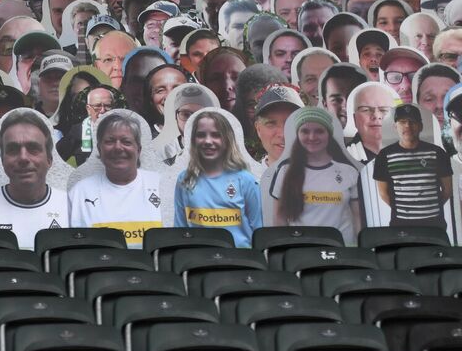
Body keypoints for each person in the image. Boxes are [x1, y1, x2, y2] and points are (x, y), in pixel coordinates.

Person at [262, 105, 363, 244]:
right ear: (298, 134)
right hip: (303, 252)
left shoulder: (349, 172)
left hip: (343, 253)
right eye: (305, 131)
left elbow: (358, 220)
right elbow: (279, 220)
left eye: (319, 131)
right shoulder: (285, 171)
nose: (312, 137)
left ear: (329, 134)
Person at [0, 106, 70, 246]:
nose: (23, 158)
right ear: (2, 160)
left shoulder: (71, 208)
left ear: (49, 159)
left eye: (33, 148)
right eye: (13, 149)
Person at [67, 108, 165, 247]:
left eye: (126, 141)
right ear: (99, 149)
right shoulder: (80, 193)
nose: (118, 148)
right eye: (110, 141)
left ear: (139, 150)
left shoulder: (162, 186)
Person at [171, 106, 263, 248]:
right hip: (199, 264)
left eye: (215, 135)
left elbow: (259, 231)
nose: (208, 141)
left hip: (240, 263)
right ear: (194, 140)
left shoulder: (245, 180)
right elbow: (180, 230)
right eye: (201, 135)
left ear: (227, 139)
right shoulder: (185, 180)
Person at [372, 103, 453, 231]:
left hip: (434, 225)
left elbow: (447, 190)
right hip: (401, 225)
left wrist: (429, 208)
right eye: (402, 122)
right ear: (395, 126)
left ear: (420, 126)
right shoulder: (384, 155)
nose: (407, 126)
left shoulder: (438, 153)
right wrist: (405, 211)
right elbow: (383, 193)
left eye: (412, 122)